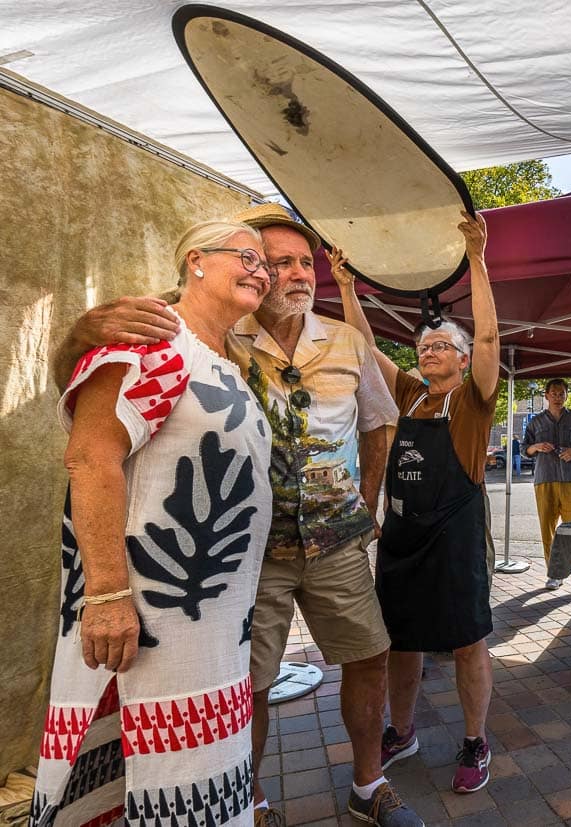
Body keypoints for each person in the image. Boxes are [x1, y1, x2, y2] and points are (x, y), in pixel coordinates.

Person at [53, 203, 420, 827]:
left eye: (304, 263)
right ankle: (244, 800)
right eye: (276, 262)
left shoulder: (348, 342)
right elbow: (94, 402)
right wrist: (78, 336)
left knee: (367, 656)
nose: (295, 273)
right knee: (244, 684)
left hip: (336, 542)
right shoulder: (217, 335)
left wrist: (366, 503)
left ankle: (370, 784)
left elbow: (379, 427)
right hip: (246, 556)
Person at [34, 222, 274, 826]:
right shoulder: (154, 342)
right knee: (133, 782)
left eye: (267, 264)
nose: (263, 271)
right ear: (195, 260)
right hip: (146, 622)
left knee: (196, 778)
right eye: (248, 256)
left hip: (211, 630)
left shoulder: (228, 361)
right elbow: (92, 455)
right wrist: (108, 594)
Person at [331, 212, 500, 794]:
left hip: (453, 542)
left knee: (467, 640)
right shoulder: (409, 395)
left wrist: (478, 260)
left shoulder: (473, 402)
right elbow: (365, 346)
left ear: (460, 358)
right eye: (424, 345)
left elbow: (489, 339)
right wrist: (349, 288)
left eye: (440, 346)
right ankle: (402, 732)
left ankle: (476, 742)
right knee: (399, 643)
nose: (428, 351)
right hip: (401, 541)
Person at [522, 378, 571, 596]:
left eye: (562, 393)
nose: (558, 396)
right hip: (545, 479)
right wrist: (536, 446)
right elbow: (524, 449)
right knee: (548, 530)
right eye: (554, 393)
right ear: (546, 396)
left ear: (566, 395)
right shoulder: (535, 422)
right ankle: (554, 574)